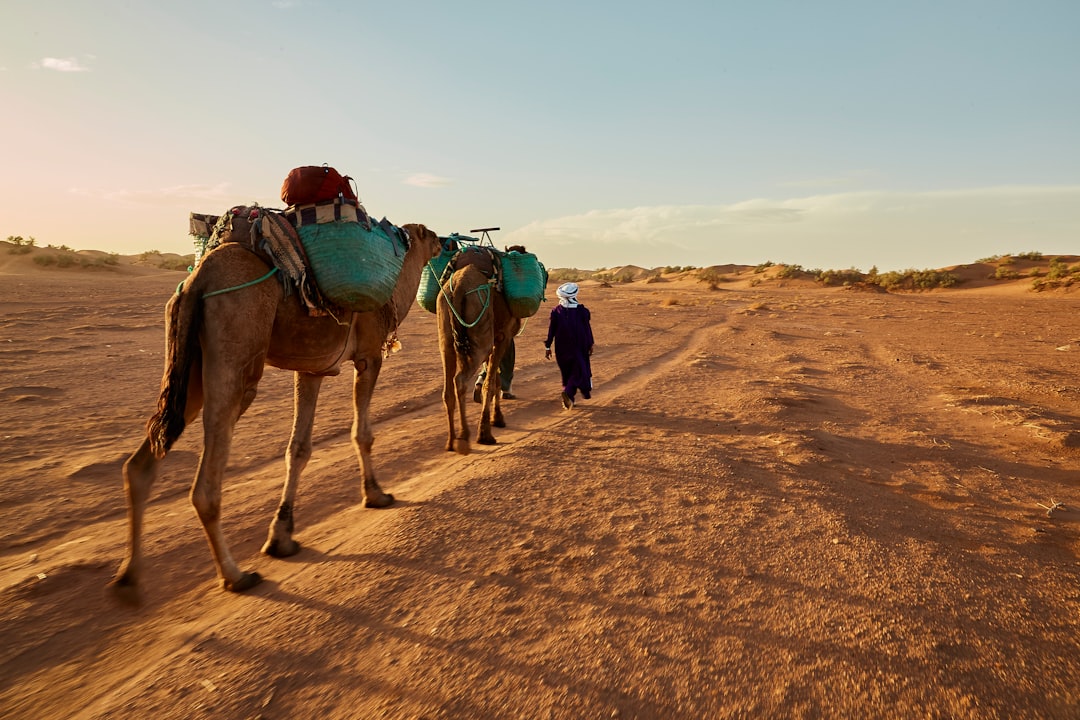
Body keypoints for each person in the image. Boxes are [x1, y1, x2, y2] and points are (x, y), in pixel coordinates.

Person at [544, 282, 594, 410]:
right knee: (578, 372)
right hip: (579, 347)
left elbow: (551, 330)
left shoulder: (556, 311)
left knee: (567, 372)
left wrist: (548, 347)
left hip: (561, 348)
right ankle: (568, 393)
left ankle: (570, 400)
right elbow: (587, 329)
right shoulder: (582, 311)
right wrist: (590, 344)